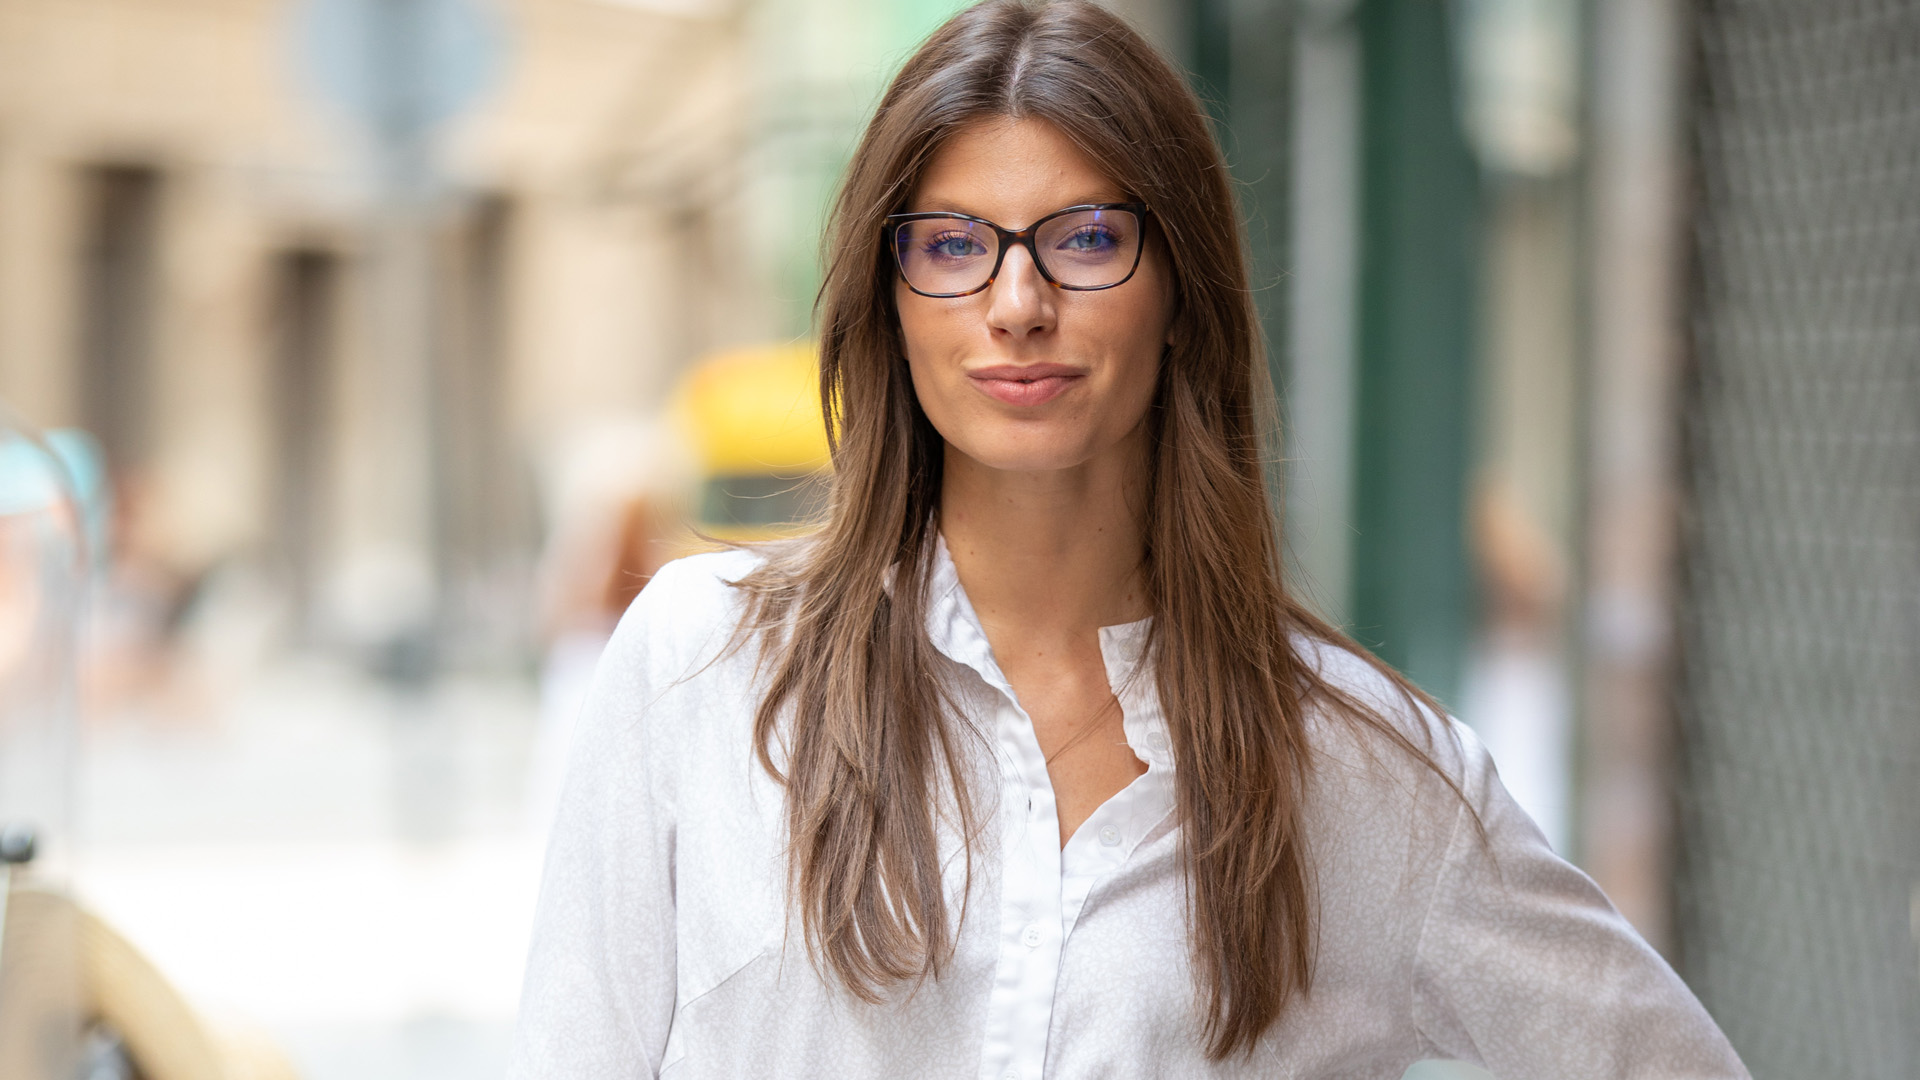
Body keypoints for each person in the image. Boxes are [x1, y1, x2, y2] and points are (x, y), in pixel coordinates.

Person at [507, 3, 1749, 1077]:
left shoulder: (1362, 772)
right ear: (889, 304)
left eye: (1086, 239)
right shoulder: (704, 667)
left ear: (1180, 291)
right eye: (952, 246)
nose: (1016, 304)